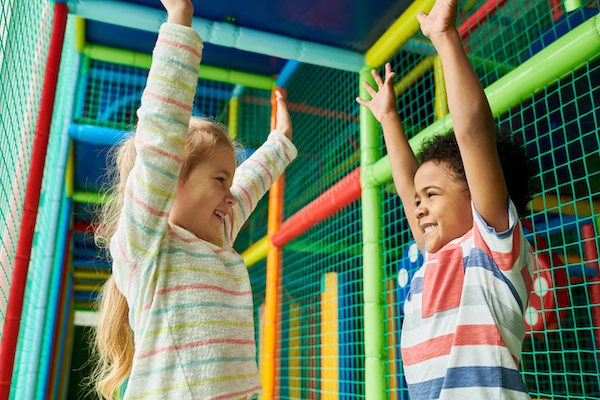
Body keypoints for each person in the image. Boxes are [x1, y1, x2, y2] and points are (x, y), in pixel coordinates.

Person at [91, 0, 297, 399]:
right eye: (220, 180)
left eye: (229, 182)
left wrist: (280, 143)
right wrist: (180, 20)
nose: (231, 196)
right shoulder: (149, 246)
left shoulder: (215, 236)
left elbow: (248, 185)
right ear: (170, 181)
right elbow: (160, 138)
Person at [356, 0, 534, 398]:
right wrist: (388, 118)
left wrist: (445, 38)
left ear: (476, 194)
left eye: (432, 195)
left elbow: (473, 134)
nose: (418, 206)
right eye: (419, 199)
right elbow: (405, 185)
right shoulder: (432, 257)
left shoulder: (490, 250)